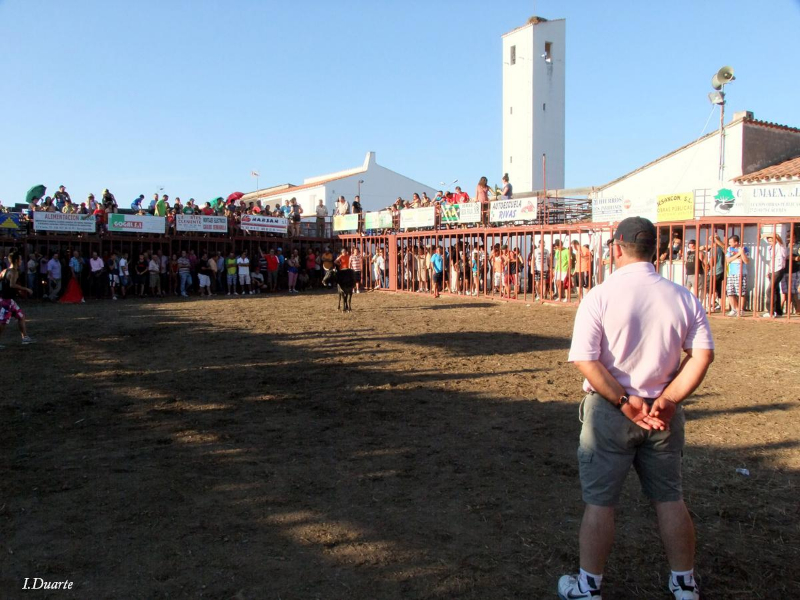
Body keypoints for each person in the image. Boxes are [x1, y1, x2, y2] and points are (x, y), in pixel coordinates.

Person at [560, 217, 714, 600]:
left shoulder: (600, 295)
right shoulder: (682, 297)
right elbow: (702, 355)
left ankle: (589, 586)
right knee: (670, 498)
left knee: (600, 503)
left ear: (616, 248)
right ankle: (684, 583)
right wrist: (669, 398)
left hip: (612, 413)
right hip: (662, 415)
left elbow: (586, 360)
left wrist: (624, 401)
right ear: (656, 251)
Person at [0, 251, 35, 348]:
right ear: (16, 260)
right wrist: (26, 289)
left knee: (21, 316)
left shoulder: (4, 271)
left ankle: (25, 337)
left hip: (7, 300)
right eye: (20, 259)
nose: (21, 261)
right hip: (6, 301)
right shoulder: (14, 272)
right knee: (3, 322)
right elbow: (12, 285)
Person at [761, 232, 786, 318]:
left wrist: (764, 235)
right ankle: (778, 312)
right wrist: (768, 271)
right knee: (775, 290)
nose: (771, 242)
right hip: (773, 270)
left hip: (778, 270)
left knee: (769, 290)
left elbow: (778, 237)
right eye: (769, 241)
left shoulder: (780, 245)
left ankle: (770, 311)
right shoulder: (770, 248)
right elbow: (771, 260)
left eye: (772, 240)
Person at [725, 234, 749, 317]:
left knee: (741, 292)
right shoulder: (729, 249)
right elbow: (728, 260)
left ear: (736, 242)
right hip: (731, 273)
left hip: (741, 273)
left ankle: (741, 310)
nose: (729, 243)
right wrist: (737, 255)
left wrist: (741, 253)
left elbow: (746, 261)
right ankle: (734, 309)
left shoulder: (744, 249)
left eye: (731, 242)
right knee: (730, 292)